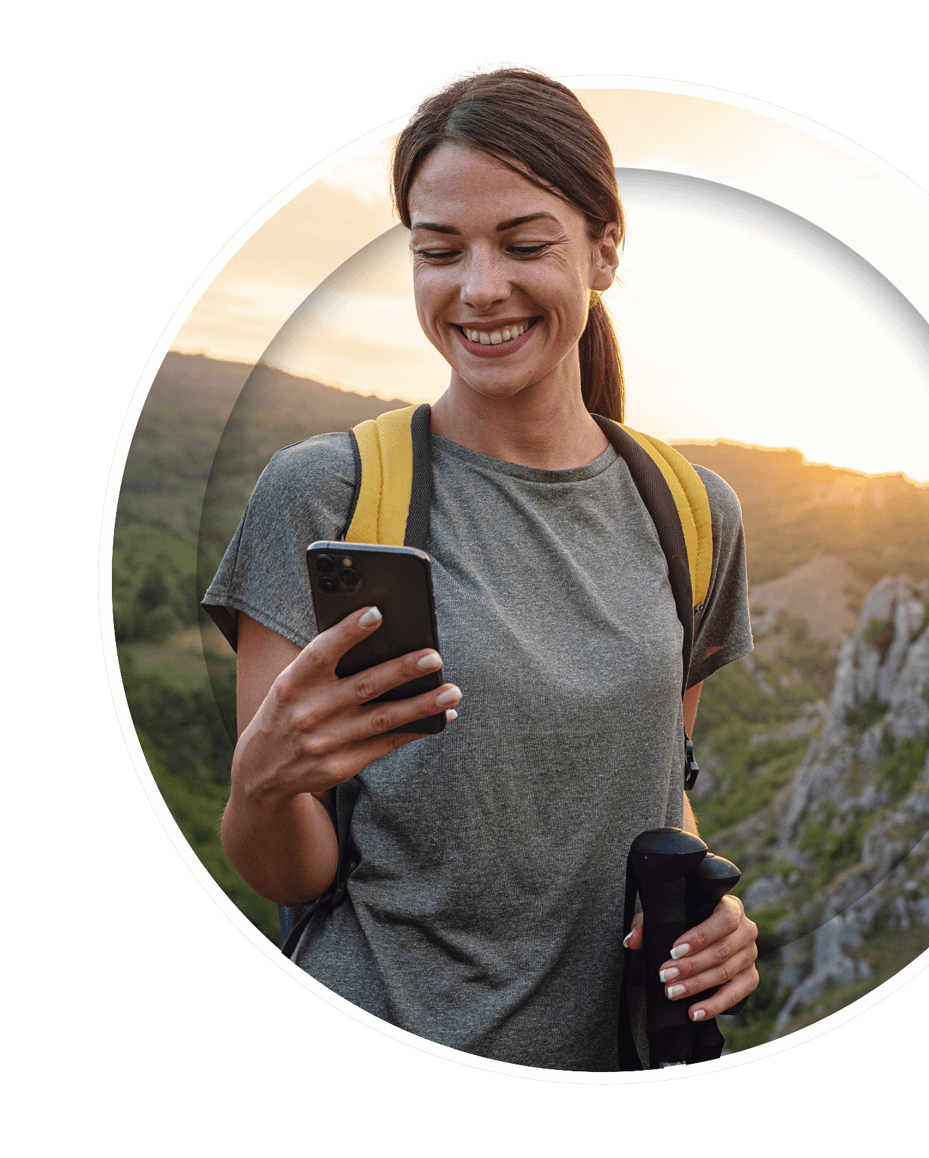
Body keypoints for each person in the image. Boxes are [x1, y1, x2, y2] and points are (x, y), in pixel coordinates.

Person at [202, 63, 759, 1071]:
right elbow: (290, 865)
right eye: (439, 251)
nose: (480, 288)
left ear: (604, 249)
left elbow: (655, 782)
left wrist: (712, 907)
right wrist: (258, 790)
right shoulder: (323, 496)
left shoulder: (691, 514)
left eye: (525, 242)